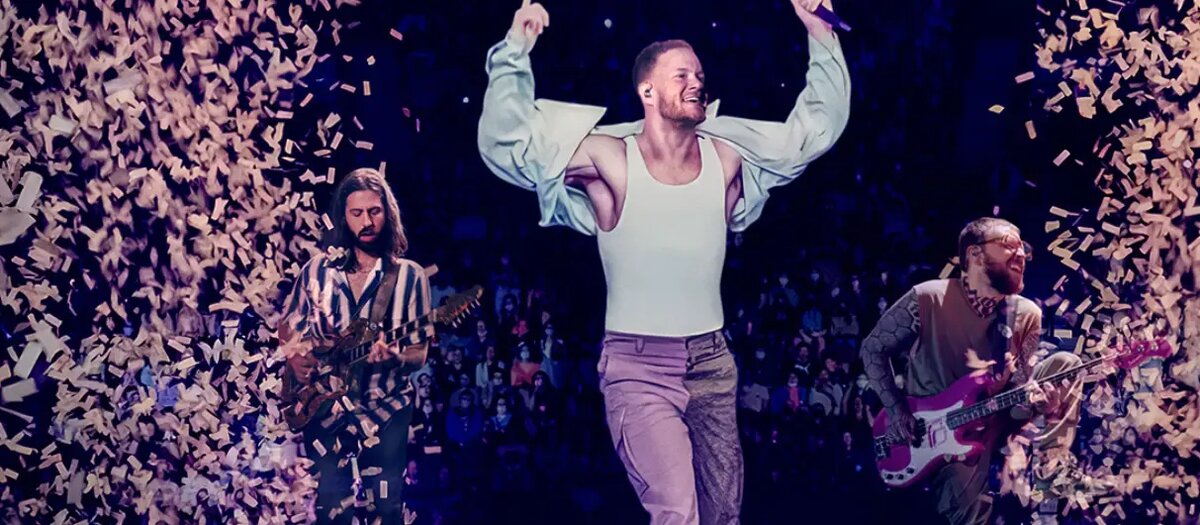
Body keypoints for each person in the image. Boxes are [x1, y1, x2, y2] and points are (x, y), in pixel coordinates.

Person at [477, 0, 850, 522]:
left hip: (712, 362)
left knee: (722, 515)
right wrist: (515, 50)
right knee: (677, 513)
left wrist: (820, 34)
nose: (697, 82)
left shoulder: (726, 158)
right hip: (638, 367)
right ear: (647, 91)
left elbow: (812, 132)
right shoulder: (610, 159)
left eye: (700, 75)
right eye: (682, 75)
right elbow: (507, 146)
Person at [858, 217, 1083, 525]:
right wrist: (897, 410)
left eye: (1023, 248)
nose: (1021, 254)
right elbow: (872, 349)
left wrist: (1039, 405)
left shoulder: (1027, 314)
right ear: (975, 254)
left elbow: (1019, 395)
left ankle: (1051, 473)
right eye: (1009, 245)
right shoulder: (928, 297)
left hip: (995, 416)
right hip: (934, 432)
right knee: (971, 514)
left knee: (1066, 365)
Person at [278, 168, 432, 524]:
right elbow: (287, 326)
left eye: (374, 212)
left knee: (386, 508)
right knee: (331, 508)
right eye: (357, 213)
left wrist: (395, 356)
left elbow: (419, 354)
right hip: (325, 408)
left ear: (388, 214)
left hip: (386, 410)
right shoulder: (316, 270)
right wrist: (295, 358)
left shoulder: (410, 276)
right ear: (343, 217)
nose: (367, 222)